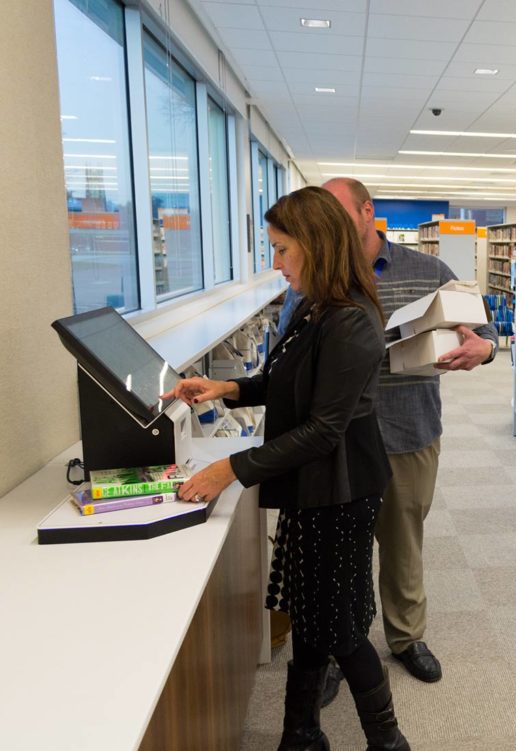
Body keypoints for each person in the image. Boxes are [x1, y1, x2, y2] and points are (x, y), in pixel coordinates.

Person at [163, 186, 410, 751]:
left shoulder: (351, 321)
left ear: (317, 246)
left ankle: (389, 741)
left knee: (340, 628)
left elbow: (325, 427)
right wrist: (228, 387)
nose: (275, 264)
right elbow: (289, 383)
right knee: (313, 616)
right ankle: (300, 735)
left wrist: (232, 469)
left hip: (343, 488)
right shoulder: (314, 307)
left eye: (281, 250)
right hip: (316, 484)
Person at [322, 178, 499, 685]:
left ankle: (406, 637)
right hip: (335, 440)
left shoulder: (429, 271)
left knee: (403, 542)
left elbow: (483, 332)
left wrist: (480, 350)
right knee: (340, 550)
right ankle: (341, 648)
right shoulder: (319, 274)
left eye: (339, 214)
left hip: (408, 431)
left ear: (366, 211)